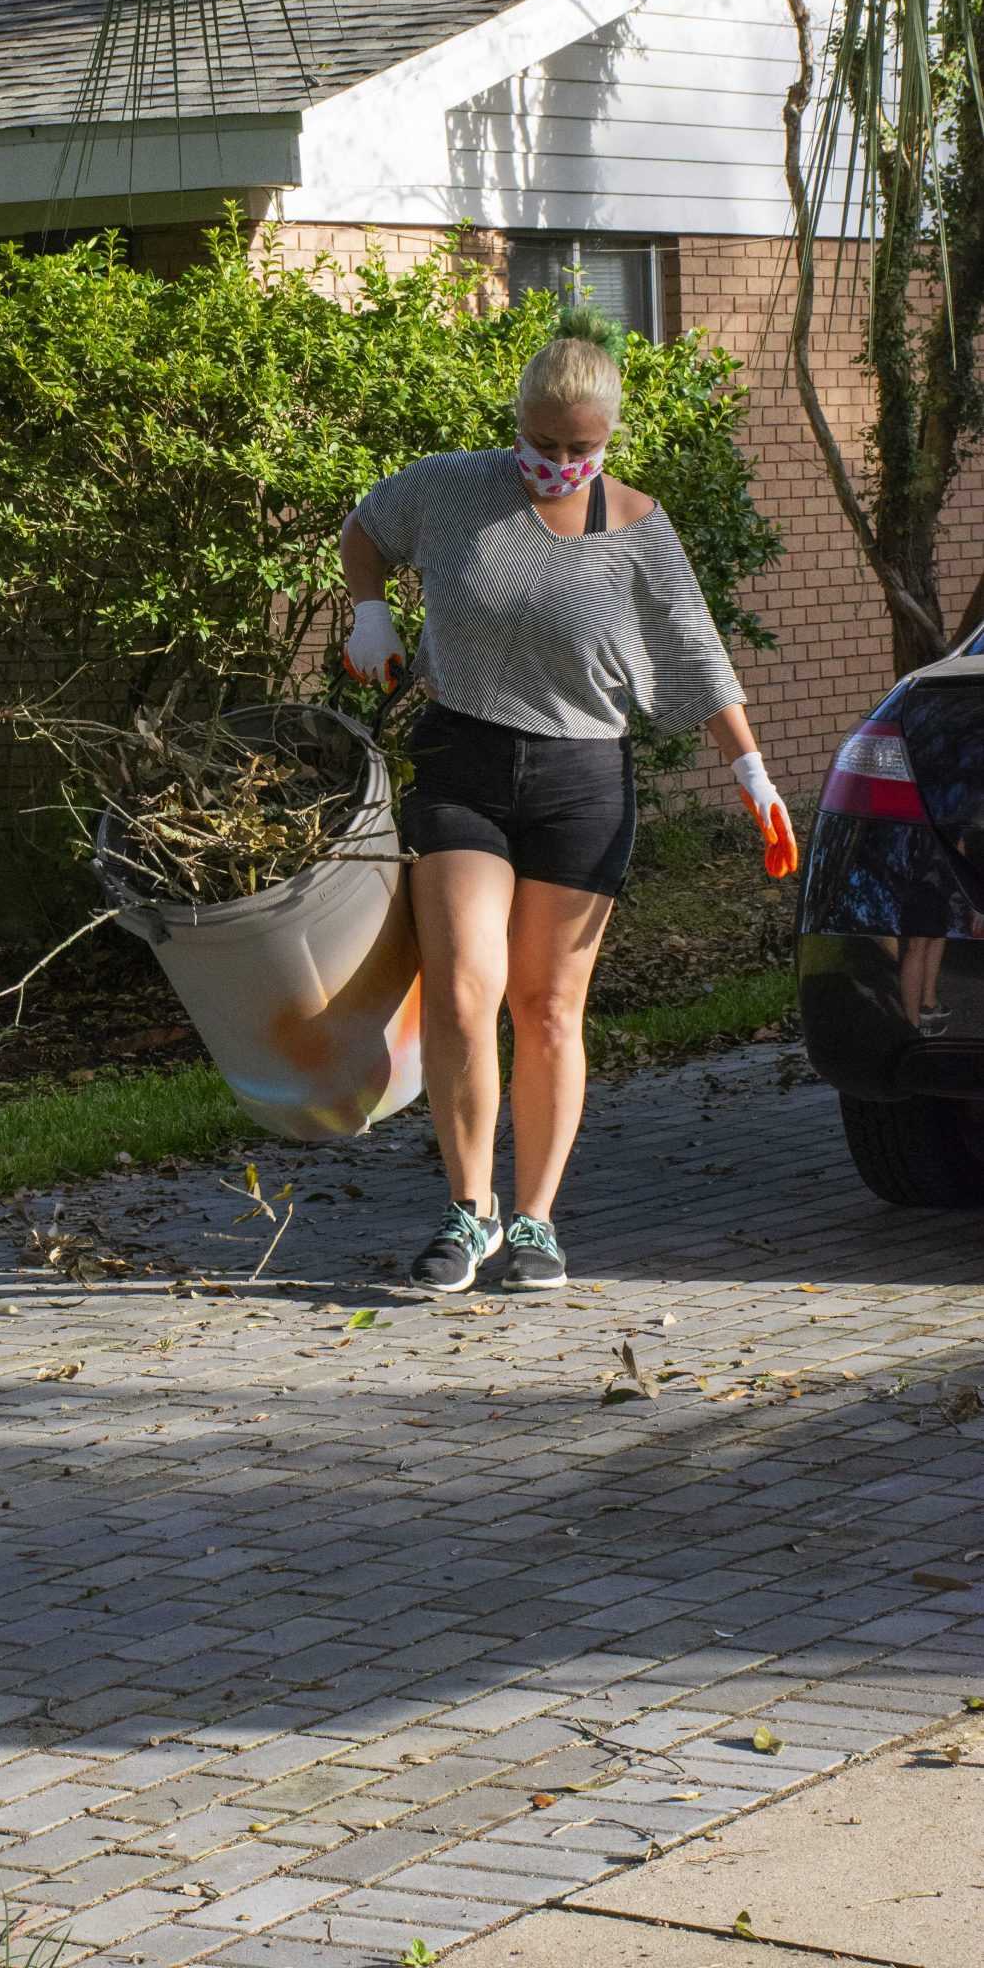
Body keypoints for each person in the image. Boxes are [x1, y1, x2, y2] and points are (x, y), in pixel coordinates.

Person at [340, 308, 796, 1295]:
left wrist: (753, 775)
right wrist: (369, 610)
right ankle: (469, 1212)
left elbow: (698, 657)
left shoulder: (637, 527)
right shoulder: (454, 489)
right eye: (542, 443)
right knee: (465, 990)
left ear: (608, 439)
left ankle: (536, 1220)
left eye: (579, 448)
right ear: (517, 424)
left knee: (547, 1008)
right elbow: (364, 530)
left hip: (583, 779)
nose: (558, 462)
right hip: (463, 757)